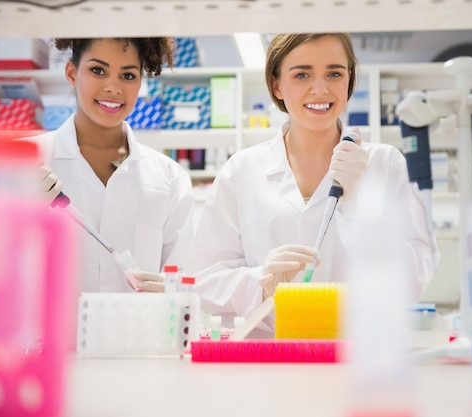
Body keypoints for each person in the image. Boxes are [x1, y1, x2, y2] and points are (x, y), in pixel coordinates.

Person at [186, 33, 439, 337]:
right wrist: (260, 280)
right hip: (268, 354)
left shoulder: (386, 164)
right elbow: (201, 281)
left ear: (349, 80)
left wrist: (361, 204)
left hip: (357, 351)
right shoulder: (242, 170)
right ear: (277, 84)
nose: (320, 89)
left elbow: (414, 279)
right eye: (302, 74)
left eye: (334, 73)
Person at [27, 38, 194, 294]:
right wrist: (19, 211)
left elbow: (182, 280)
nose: (114, 87)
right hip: (52, 334)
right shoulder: (27, 162)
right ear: (72, 73)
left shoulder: (170, 179)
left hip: (137, 332)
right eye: (98, 70)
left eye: (128, 75)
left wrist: (172, 290)